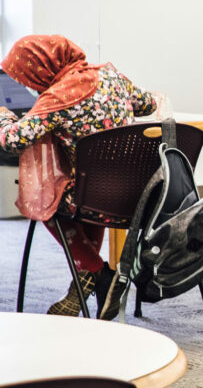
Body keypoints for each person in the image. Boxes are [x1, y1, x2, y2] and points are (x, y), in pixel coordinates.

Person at [0, 34, 157, 319]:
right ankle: (84, 284)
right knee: (86, 190)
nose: (27, 85)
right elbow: (148, 105)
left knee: (45, 197)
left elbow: (13, 140)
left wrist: (3, 115)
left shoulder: (57, 97)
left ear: (41, 67)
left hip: (89, 197)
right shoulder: (110, 74)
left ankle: (98, 272)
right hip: (132, 194)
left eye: (27, 77)